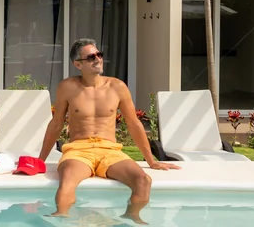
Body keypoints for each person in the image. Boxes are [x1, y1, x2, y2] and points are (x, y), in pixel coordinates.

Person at [38, 39, 179, 221]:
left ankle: (131, 220)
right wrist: (40, 161)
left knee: (143, 181)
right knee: (67, 182)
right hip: (79, 150)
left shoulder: (117, 87)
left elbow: (134, 124)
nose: (97, 59)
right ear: (77, 64)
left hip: (110, 151)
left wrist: (151, 161)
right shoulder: (68, 87)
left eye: (99, 54)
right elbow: (56, 124)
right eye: (91, 57)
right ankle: (61, 218)